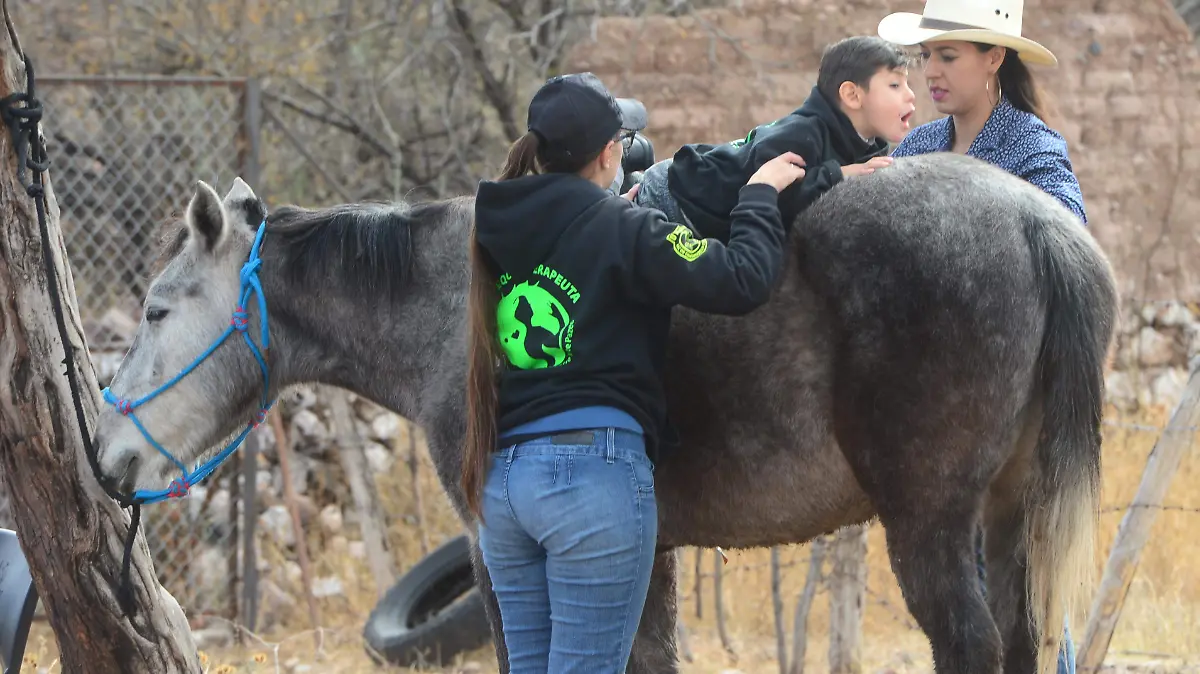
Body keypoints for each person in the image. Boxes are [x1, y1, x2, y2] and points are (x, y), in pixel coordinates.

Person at [460, 71, 806, 673]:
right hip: (591, 478)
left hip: (506, 482)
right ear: (611, 152)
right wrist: (759, 193)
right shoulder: (624, 228)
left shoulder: (500, 227)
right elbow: (742, 278)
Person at [878, 1, 1085, 672]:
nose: (930, 73)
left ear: (994, 58)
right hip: (938, 410)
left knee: (1022, 584)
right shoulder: (914, 151)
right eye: (926, 58)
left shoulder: (1031, 147)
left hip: (1014, 403)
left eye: (948, 56)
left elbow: (1069, 247)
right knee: (961, 591)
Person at [629, 35, 917, 240]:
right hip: (676, 199)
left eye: (907, 83)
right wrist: (836, 175)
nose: (910, 95)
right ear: (852, 95)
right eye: (894, 85)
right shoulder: (801, 134)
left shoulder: (872, 146)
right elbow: (765, 194)